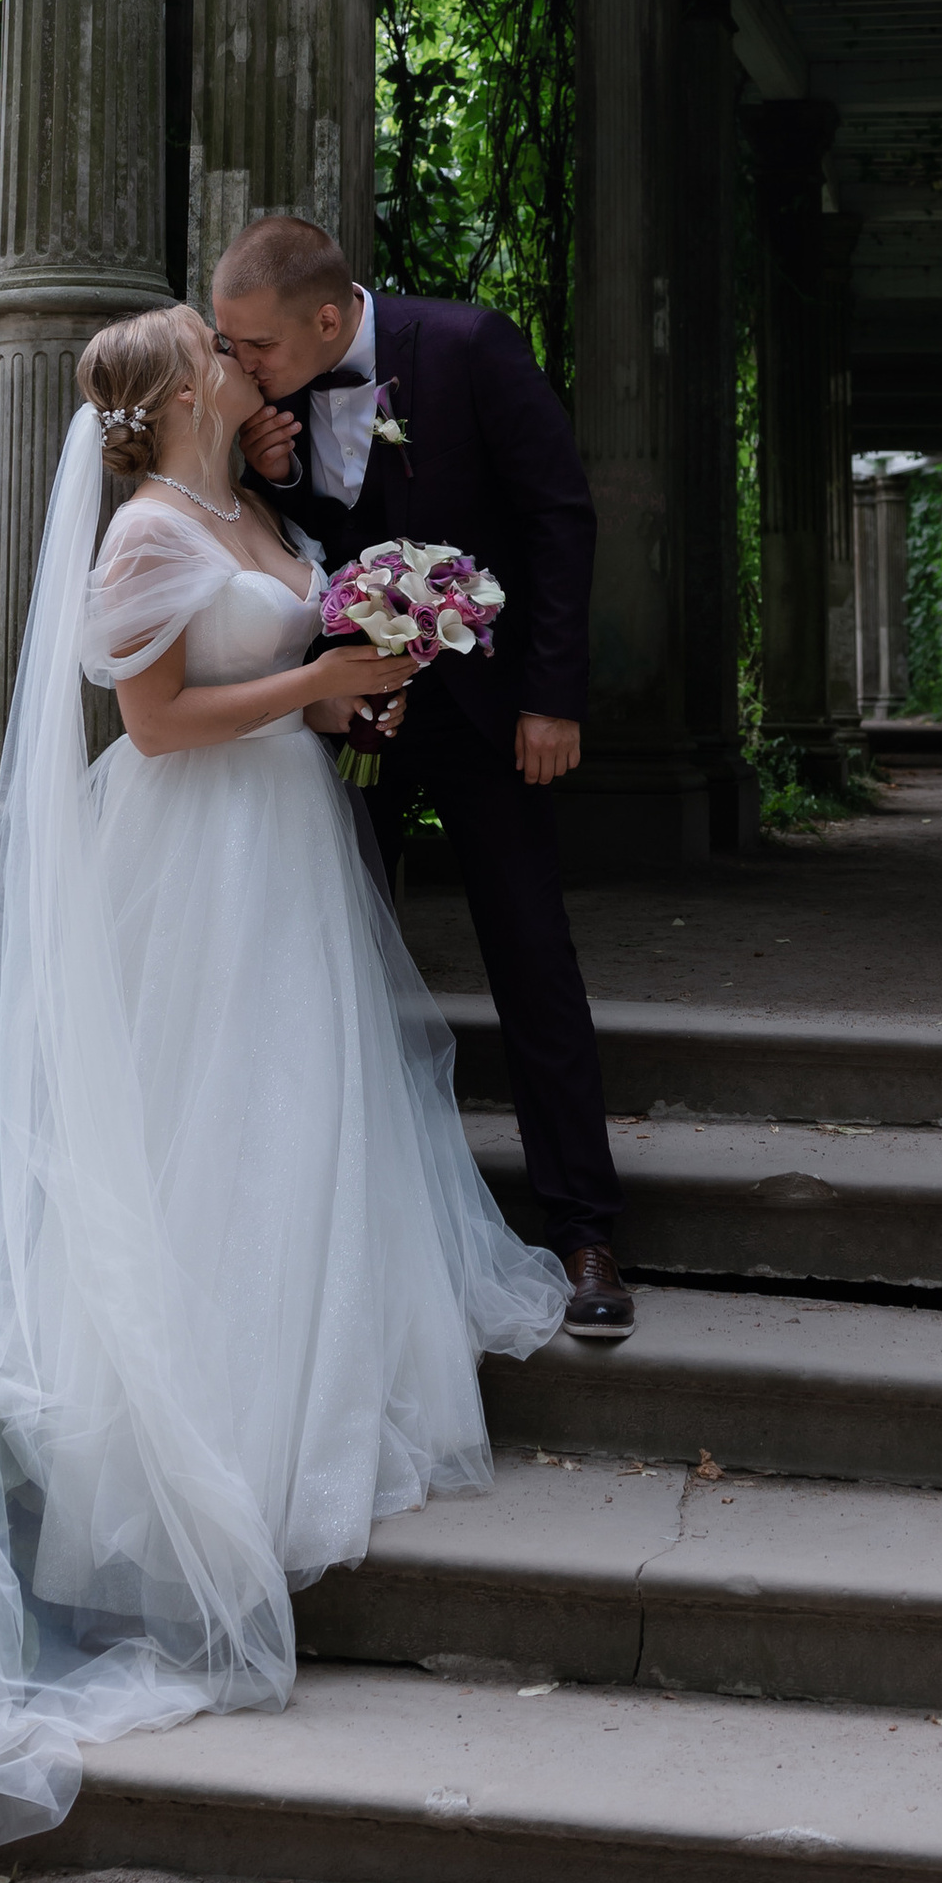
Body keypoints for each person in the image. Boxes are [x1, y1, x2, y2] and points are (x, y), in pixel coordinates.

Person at [0, 304, 567, 1883]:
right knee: (211, 1136)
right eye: (219, 351)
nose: (241, 363)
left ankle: (304, 1432)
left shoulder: (247, 512)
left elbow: (278, 676)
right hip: (192, 862)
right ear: (174, 393)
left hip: (280, 856)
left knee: (295, 1136)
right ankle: (200, 1483)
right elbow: (154, 721)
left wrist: (358, 690)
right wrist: (314, 678)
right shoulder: (141, 530)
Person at [209, 211, 634, 1343]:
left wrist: (552, 697)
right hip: (346, 717)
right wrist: (273, 482)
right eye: (230, 345)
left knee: (529, 952)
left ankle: (585, 1227)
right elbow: (291, 553)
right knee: (324, 959)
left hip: (495, 715)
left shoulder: (468, 347)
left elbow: (558, 516)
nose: (238, 365)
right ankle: (335, 1238)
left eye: (255, 346)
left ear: (332, 316)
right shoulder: (264, 401)